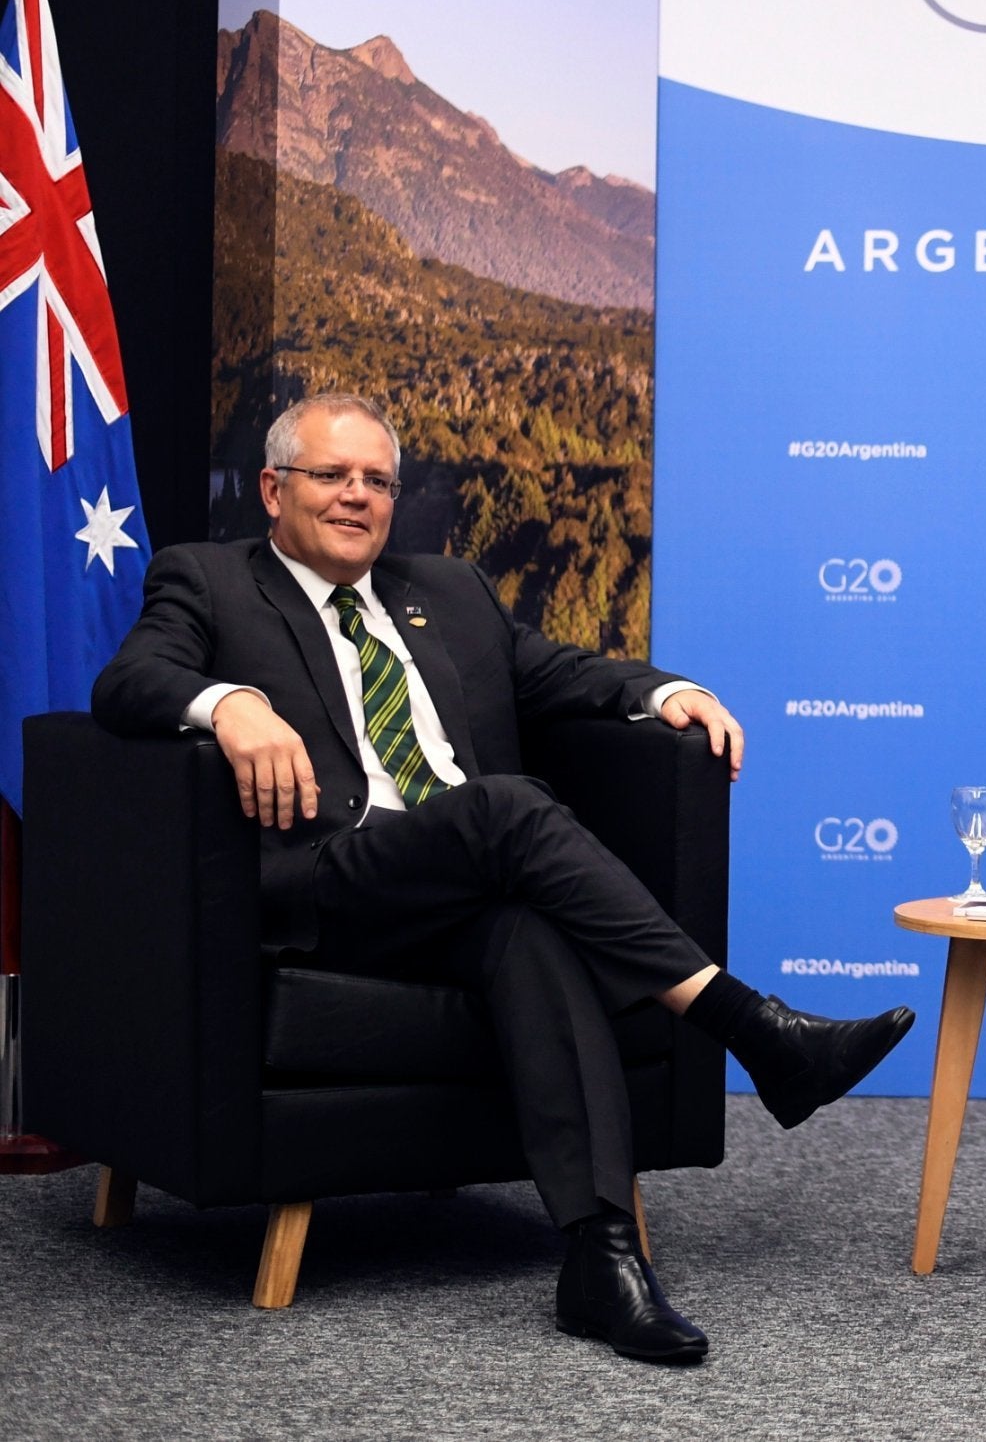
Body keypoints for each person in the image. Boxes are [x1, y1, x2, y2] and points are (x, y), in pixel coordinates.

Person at [92, 392, 914, 1366]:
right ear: (274, 489)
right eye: (331, 475)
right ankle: (752, 1028)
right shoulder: (211, 580)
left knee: (529, 928)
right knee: (505, 805)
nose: (357, 496)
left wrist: (665, 690)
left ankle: (600, 1257)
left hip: (463, 888)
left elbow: (560, 671)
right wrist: (228, 703)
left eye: (377, 480)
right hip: (325, 881)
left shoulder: (448, 589)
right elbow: (128, 681)